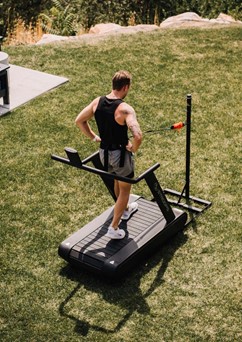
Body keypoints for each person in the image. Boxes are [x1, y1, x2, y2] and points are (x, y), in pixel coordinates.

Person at [75, 70, 142, 239]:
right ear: (126, 87)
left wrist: (94, 137)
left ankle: (125, 210)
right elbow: (138, 135)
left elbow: (80, 121)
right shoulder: (125, 109)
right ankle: (113, 227)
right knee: (126, 189)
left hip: (103, 153)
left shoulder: (98, 102)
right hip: (120, 156)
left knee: (116, 181)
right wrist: (133, 148)